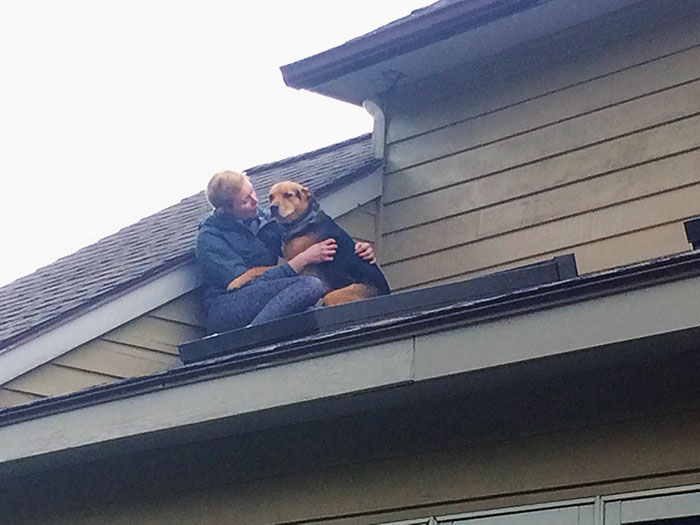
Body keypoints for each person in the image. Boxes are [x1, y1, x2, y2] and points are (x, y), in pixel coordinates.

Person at [195, 170, 375, 334]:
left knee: (311, 309)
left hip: (268, 299)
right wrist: (301, 260)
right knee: (310, 285)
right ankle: (251, 336)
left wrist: (357, 248)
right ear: (226, 209)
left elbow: (307, 236)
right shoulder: (210, 237)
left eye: (253, 192)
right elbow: (241, 284)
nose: (255, 201)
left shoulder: (268, 220)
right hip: (228, 307)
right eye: (245, 200)